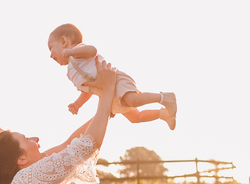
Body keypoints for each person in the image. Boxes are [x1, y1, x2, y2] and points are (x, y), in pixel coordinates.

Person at [47, 22, 177, 130]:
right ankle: (163, 114)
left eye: (51, 48)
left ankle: (165, 97)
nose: (50, 55)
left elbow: (92, 50)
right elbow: (87, 90)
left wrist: (71, 52)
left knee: (133, 100)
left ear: (64, 41)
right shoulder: (70, 73)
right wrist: (77, 104)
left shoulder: (78, 52)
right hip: (107, 94)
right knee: (135, 117)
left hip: (115, 80)